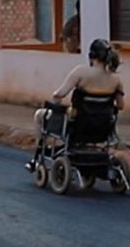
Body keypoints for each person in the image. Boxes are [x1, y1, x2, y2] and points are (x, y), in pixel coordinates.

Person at [28, 38, 123, 167]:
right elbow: (121, 106)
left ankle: (39, 155)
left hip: (78, 125)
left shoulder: (81, 72)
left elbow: (59, 94)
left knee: (40, 114)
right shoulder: (116, 80)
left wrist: (56, 101)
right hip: (102, 127)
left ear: (91, 56)